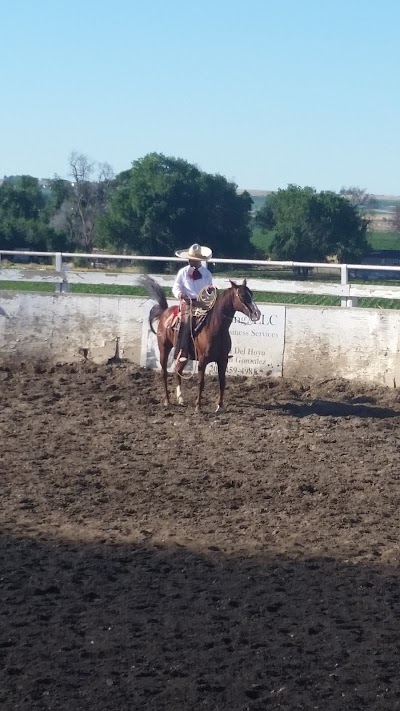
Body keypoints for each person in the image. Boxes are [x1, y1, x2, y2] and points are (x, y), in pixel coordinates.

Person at [172, 243, 213, 362]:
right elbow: (176, 287)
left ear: (199, 261)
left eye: (193, 259)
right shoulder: (183, 272)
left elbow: (209, 288)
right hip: (188, 302)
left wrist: (209, 291)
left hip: (203, 303)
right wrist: (180, 294)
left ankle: (221, 349)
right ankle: (183, 350)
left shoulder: (206, 274)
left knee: (217, 319)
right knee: (187, 322)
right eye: (190, 259)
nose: (190, 261)